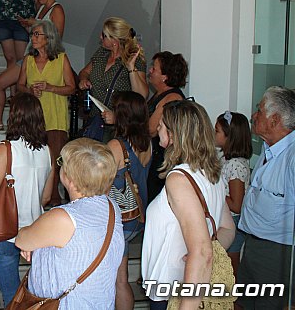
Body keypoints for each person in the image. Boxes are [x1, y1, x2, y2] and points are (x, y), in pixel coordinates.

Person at [141, 100, 235, 310]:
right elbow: (228, 229)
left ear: (174, 134)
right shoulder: (211, 173)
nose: (157, 128)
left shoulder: (179, 178)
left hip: (174, 288)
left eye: (161, 125)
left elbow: (202, 251)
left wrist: (200, 256)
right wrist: (203, 253)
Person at [15, 138, 124, 309]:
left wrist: (33, 244)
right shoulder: (112, 207)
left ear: (70, 178)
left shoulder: (63, 218)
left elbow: (22, 239)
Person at [0, 92, 54, 307]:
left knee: (11, 296)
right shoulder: (48, 151)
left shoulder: (5, 149)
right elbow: (46, 197)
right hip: (36, 232)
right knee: (35, 293)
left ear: (13, 117)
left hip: (5, 232)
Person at [238, 86, 295, 310]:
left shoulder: (291, 157)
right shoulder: (269, 147)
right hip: (253, 244)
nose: (254, 115)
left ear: (275, 120)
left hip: (277, 254)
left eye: (259, 110)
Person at [0, 0, 65, 131]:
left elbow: (56, 37)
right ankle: (0, 121)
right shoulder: (41, 8)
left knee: (1, 83)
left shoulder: (57, 9)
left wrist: (35, 23)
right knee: (2, 84)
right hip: (30, 55)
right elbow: (37, 32)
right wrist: (27, 26)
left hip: (42, 58)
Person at [17, 20, 75, 207]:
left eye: (37, 34)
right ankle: (33, 199)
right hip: (33, 119)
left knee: (54, 163)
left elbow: (71, 87)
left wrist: (50, 88)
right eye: (32, 34)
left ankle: (54, 201)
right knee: (33, 161)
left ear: (48, 38)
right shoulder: (28, 60)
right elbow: (19, 86)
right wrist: (30, 91)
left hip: (55, 119)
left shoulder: (61, 59)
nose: (33, 38)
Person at [106, 91, 151, 310]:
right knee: (121, 279)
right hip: (137, 214)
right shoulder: (147, 143)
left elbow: (101, 183)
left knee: (119, 280)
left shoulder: (116, 145)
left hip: (120, 220)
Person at [78, 17, 147, 142]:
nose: (100, 37)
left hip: (117, 124)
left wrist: (131, 68)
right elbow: (84, 72)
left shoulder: (134, 59)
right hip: (95, 119)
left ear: (115, 41)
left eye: (104, 35)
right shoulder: (101, 53)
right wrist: (83, 79)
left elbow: (141, 95)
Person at [145, 51, 188, 201]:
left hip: (163, 158)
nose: (150, 71)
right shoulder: (159, 94)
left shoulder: (172, 97)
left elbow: (151, 129)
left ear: (165, 76)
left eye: (154, 68)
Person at [214, 110, 252, 276]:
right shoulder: (226, 159)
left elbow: (236, 205)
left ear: (230, 136)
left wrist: (215, 192)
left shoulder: (235, 164)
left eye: (217, 131)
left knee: (230, 265)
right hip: (224, 217)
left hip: (233, 221)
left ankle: (233, 292)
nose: (213, 134)